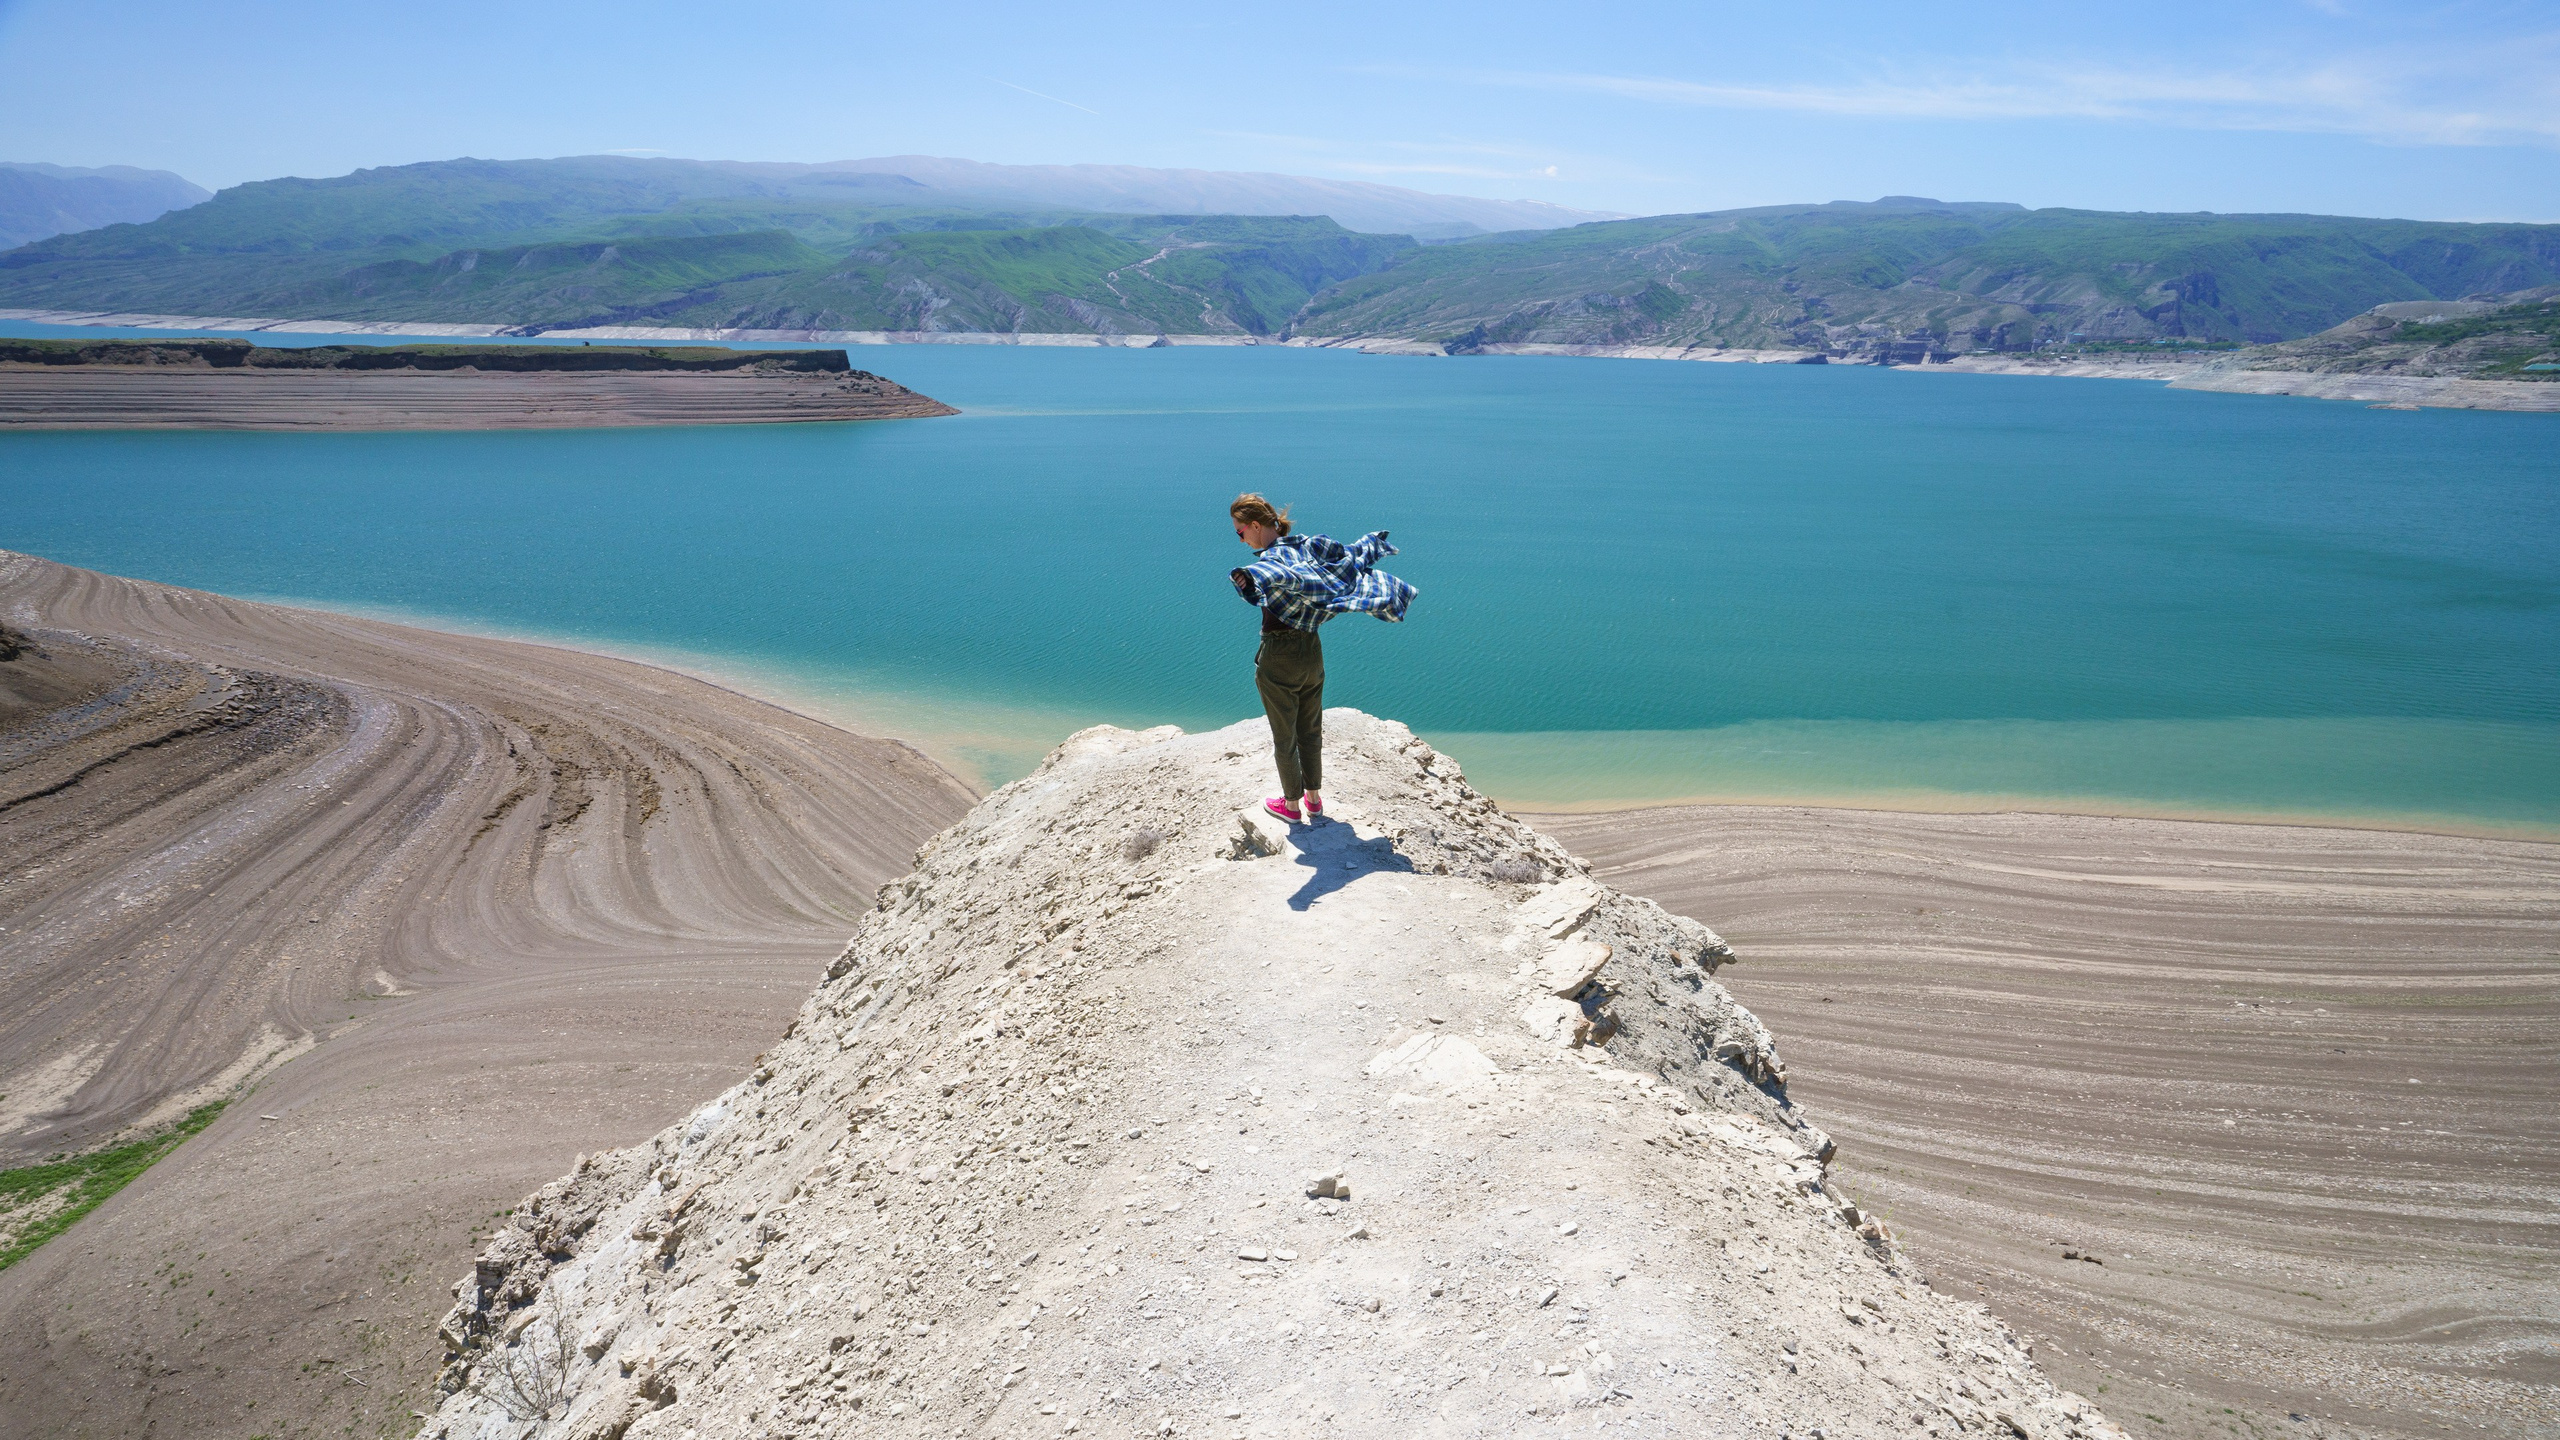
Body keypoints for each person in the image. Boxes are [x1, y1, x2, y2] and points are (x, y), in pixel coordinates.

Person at [1226, 493, 1416, 824]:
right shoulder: (1304, 548)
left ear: (1255, 525)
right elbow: (1342, 559)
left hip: (1279, 655)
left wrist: (1248, 578)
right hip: (1312, 651)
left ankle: (1291, 805)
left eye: (1240, 532)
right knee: (1310, 729)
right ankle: (1314, 800)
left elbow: (1270, 574)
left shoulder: (1272, 560)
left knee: (1285, 736)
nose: (1241, 539)